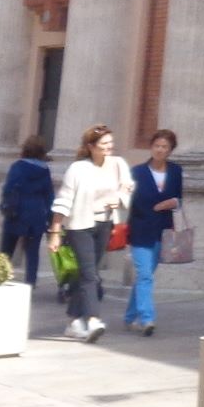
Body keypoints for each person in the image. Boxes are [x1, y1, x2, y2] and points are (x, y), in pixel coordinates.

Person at [47, 124, 131, 342]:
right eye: (103, 144)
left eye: (110, 143)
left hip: (104, 223)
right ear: (91, 146)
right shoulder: (78, 169)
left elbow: (127, 187)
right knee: (89, 274)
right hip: (79, 226)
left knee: (88, 273)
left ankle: (73, 321)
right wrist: (55, 232)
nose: (108, 148)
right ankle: (93, 319)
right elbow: (63, 200)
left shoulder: (118, 164)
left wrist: (119, 199)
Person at [123, 128, 183, 336]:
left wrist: (172, 202)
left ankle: (130, 316)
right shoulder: (138, 172)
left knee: (144, 277)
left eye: (164, 147)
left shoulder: (176, 171)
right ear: (151, 147)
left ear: (170, 150)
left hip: (163, 232)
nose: (160, 150)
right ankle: (147, 319)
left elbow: (179, 199)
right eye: (157, 146)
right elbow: (130, 200)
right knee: (146, 276)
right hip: (140, 230)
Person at [0, 136, 55, 288]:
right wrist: (51, 218)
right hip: (36, 213)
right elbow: (49, 194)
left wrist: (4, 206)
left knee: (7, 247)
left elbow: (9, 187)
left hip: (17, 211)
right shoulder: (44, 170)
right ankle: (31, 281)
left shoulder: (18, 166)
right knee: (32, 251)